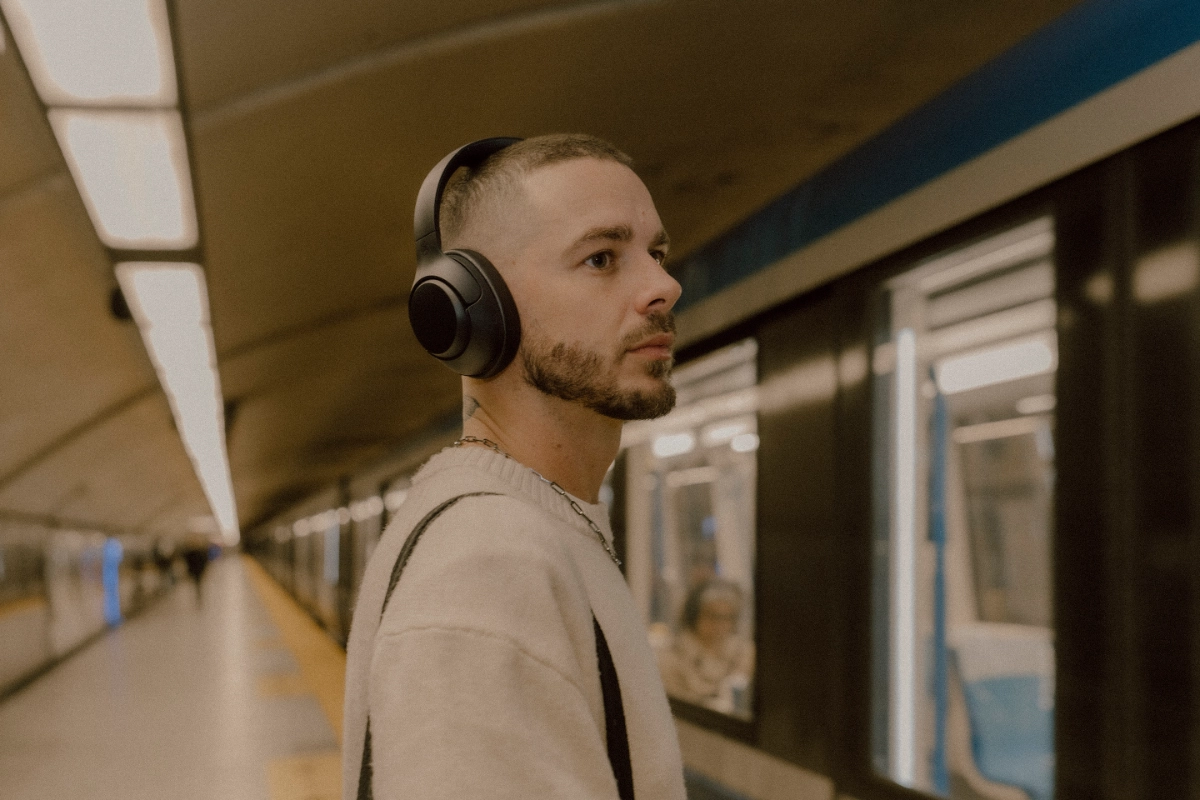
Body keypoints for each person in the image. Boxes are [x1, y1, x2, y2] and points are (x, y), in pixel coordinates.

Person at [343, 135, 686, 800]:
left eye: (658, 253)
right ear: (472, 308)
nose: (663, 286)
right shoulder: (486, 568)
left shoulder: (540, 528)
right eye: (602, 258)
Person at [657, 579, 755, 717]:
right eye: (712, 615)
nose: (720, 624)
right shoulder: (670, 657)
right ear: (694, 615)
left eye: (727, 617)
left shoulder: (744, 653)